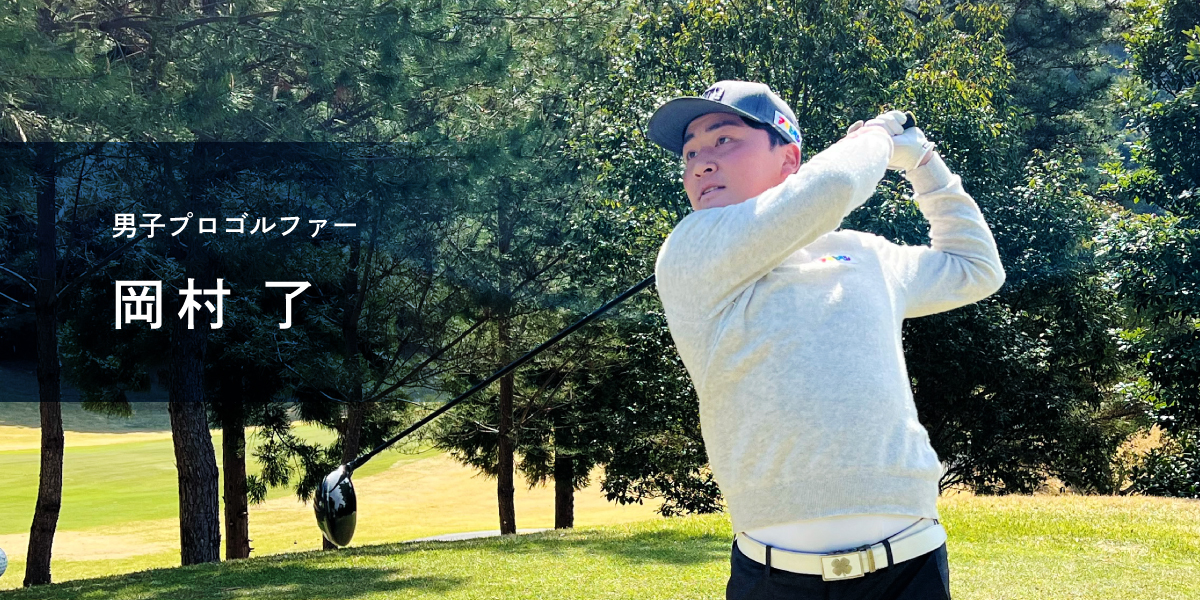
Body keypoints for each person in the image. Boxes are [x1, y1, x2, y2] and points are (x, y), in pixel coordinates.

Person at [647, 80, 1005, 599]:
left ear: (789, 158)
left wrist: (925, 165)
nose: (701, 163)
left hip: (910, 567)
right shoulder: (692, 248)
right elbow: (834, 185)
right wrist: (880, 138)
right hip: (772, 580)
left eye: (723, 140)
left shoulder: (864, 253)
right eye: (691, 152)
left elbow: (976, 268)